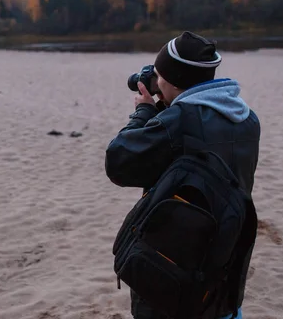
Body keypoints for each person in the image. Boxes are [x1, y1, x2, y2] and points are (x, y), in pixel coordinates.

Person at [105, 31, 261, 319]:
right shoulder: (247, 119)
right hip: (226, 260)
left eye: (160, 77)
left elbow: (118, 162)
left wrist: (143, 113)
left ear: (174, 81)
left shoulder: (175, 123)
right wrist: (166, 107)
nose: (157, 82)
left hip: (173, 265)